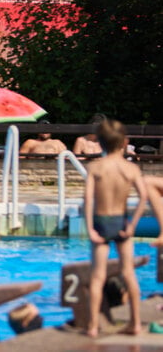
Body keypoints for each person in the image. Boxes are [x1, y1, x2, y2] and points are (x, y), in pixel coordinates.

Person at [83, 118, 147, 338]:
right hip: (121, 221)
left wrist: (90, 229)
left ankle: (92, 326)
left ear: (99, 143)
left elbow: (88, 200)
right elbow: (143, 198)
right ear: (124, 142)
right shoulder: (131, 168)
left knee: (97, 277)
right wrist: (132, 225)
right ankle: (135, 323)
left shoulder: (95, 167)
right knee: (128, 273)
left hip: (101, 222)